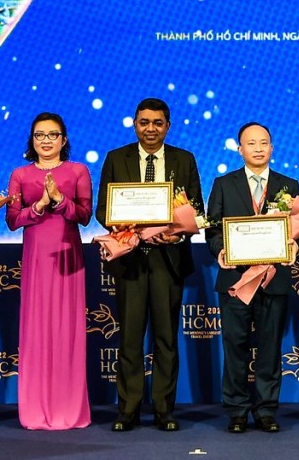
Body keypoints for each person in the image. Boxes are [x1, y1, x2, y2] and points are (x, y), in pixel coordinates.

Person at [95, 98, 203, 432]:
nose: (150, 129)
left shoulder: (184, 159)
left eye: (157, 122)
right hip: (130, 261)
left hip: (168, 260)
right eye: (144, 122)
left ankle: (164, 410)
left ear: (168, 126)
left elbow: (196, 209)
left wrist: (176, 233)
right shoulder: (116, 158)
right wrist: (118, 224)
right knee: (129, 338)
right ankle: (127, 410)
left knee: (166, 339)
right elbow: (103, 209)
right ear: (134, 124)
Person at [205, 122, 299, 434]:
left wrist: (295, 246)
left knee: (270, 348)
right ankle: (236, 411)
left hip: (272, 279)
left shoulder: (289, 185)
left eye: (263, 143)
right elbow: (213, 229)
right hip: (236, 280)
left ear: (272, 148)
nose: (258, 148)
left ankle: (266, 411)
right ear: (240, 149)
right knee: (235, 346)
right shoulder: (224, 184)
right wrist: (221, 250)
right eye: (251, 143)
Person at [6, 112, 92, 430]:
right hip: (36, 259)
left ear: (63, 139)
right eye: (39, 135)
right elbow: (12, 220)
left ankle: (68, 408)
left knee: (67, 330)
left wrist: (60, 200)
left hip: (67, 258)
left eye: (52, 135)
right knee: (37, 329)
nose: (46, 140)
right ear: (32, 139)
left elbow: (84, 215)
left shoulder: (78, 171)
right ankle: (35, 408)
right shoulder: (20, 174)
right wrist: (40, 206)